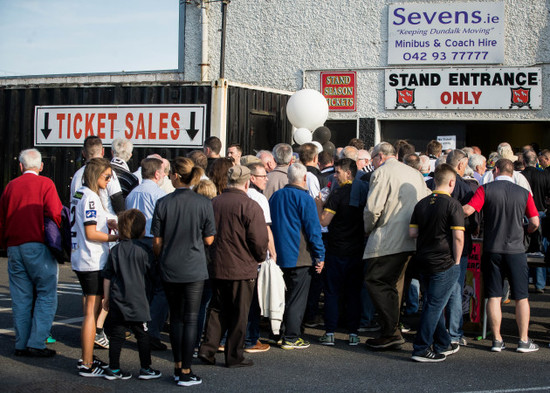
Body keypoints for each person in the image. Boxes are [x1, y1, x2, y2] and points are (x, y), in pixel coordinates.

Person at [463, 158, 540, 353]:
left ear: (495, 170)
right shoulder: (523, 193)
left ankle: (497, 340)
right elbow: (535, 222)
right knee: (521, 297)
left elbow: (469, 210)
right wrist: (526, 231)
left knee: (494, 296)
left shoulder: (485, 189)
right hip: (516, 250)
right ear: (513, 173)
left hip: (492, 249)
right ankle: (523, 340)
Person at [151, 157, 216, 386]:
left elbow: (156, 242)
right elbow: (209, 239)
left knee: (177, 318)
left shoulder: (163, 203)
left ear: (176, 176)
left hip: (169, 265)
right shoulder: (203, 203)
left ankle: (179, 367)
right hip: (194, 266)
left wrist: (163, 254)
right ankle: (186, 371)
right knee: (190, 319)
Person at [198, 166, 268, 367]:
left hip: (217, 265)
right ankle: (234, 355)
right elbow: (259, 240)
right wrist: (260, 257)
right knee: (239, 313)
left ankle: (207, 349)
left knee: (216, 309)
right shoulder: (250, 206)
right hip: (242, 268)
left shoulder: (214, 203)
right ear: (247, 182)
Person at [363, 142, 430, 350]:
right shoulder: (415, 174)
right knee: (397, 285)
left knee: (375, 281)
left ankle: (391, 331)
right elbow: (425, 200)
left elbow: (373, 209)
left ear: (380, 156)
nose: (372, 164)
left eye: (372, 159)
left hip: (387, 238)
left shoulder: (382, 172)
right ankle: (391, 330)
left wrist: (368, 228)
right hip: (411, 239)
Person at [0, 148, 62, 357]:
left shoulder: (10, 186)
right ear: (41, 166)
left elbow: (2, 219)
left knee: (21, 297)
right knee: (46, 293)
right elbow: (55, 212)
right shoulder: (46, 184)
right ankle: (36, 342)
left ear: (20, 166)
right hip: (38, 245)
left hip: (14, 246)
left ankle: (21, 343)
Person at [409, 164, 465, 362]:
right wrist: (457, 261)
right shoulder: (453, 204)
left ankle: (443, 342)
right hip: (444, 261)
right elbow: (458, 237)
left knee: (433, 302)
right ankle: (421, 348)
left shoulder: (421, 204)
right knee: (434, 305)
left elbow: (412, 233)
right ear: (452, 182)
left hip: (423, 259)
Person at [71, 158, 119, 377]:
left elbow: (91, 222)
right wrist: (113, 236)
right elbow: (91, 232)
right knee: (92, 311)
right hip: (91, 258)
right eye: (106, 177)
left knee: (92, 308)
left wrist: (108, 222)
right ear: (95, 175)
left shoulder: (81, 192)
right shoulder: (90, 196)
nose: (109, 181)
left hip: (82, 255)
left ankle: (87, 356)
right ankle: (87, 362)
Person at [270, 163, 325, 350]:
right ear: (303, 179)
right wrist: (320, 255)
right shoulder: (305, 198)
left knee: (282, 296)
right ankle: (291, 336)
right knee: (297, 298)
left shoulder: (275, 196)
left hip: (278, 254)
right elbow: (313, 229)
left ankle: (280, 333)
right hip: (299, 256)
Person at [102, 209, 161, 380]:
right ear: (141, 229)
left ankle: (113, 368)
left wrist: (106, 298)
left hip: (118, 299)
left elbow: (107, 275)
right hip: (139, 301)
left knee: (117, 334)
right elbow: (153, 274)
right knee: (142, 335)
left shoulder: (116, 250)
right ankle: (145, 368)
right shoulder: (144, 251)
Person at [315, 158, 364, 346]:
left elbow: (324, 221)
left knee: (332, 291)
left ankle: (330, 332)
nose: (335, 176)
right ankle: (353, 333)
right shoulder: (363, 192)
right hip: (357, 249)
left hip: (337, 249)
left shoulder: (337, 193)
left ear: (348, 173)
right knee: (353, 292)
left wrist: (319, 203)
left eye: (337, 172)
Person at [125, 157, 168, 350]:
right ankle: (152, 332)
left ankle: (138, 326)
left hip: (134, 241)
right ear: (157, 174)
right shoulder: (159, 194)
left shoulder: (132, 194)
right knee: (160, 288)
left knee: (141, 287)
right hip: (152, 241)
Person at [244, 162, 277, 353]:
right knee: (253, 301)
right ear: (251, 178)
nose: (266, 179)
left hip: (235, 255)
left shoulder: (227, 195)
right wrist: (272, 252)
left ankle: (225, 339)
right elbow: (266, 229)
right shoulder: (258, 198)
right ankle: (251, 339)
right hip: (254, 256)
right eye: (263, 175)